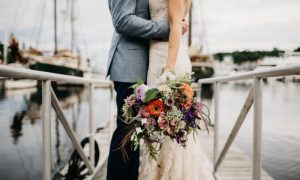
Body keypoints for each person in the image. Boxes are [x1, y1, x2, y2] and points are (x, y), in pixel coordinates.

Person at [106, 0, 189, 180]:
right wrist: (167, 28)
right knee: (126, 131)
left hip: (148, 63)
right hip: (129, 65)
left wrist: (175, 25)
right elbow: (122, 21)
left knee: (135, 132)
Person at [139, 0, 215, 179]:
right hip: (159, 54)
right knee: (162, 125)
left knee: (170, 126)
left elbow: (175, 25)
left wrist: (169, 69)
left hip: (166, 57)